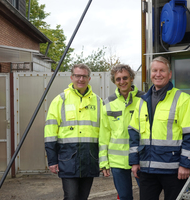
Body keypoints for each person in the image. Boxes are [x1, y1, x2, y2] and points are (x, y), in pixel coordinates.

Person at [128, 56, 190, 200]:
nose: (158, 74)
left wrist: (185, 165)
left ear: (169, 74)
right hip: (147, 169)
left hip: (174, 170)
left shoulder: (184, 100)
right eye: (154, 70)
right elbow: (134, 133)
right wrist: (135, 161)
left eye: (162, 70)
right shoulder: (142, 102)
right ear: (150, 74)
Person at [44, 64, 102, 200]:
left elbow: (104, 133)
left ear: (89, 78)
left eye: (84, 76)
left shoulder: (98, 102)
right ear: (71, 77)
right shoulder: (60, 100)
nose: (80, 79)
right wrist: (52, 160)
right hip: (68, 158)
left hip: (90, 158)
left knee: (83, 197)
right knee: (71, 196)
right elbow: (50, 132)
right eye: (77, 76)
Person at [99, 64, 144, 200]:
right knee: (124, 197)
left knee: (148, 195)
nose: (122, 82)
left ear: (131, 78)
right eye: (118, 79)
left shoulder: (144, 99)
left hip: (141, 158)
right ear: (114, 81)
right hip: (117, 161)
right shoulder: (107, 103)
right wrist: (103, 162)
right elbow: (104, 134)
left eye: (125, 78)